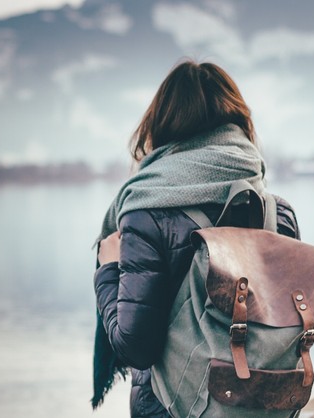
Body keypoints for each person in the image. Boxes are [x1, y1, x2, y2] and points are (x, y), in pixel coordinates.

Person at [91, 59, 300, 417]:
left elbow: (136, 347)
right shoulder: (275, 213)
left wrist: (109, 269)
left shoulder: (146, 214)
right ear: (237, 124)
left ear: (161, 126)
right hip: (263, 406)